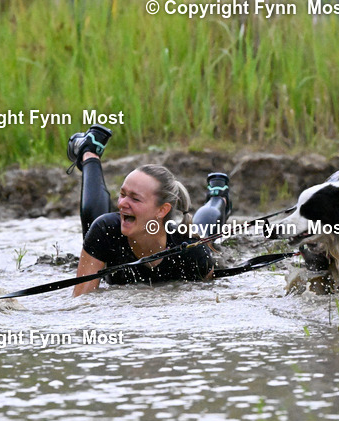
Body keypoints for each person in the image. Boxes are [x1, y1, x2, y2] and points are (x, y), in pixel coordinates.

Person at [67, 125, 232, 296]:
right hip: (106, 235)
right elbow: (82, 301)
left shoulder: (191, 252)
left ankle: (219, 196)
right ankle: (89, 151)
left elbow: (210, 296)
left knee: (203, 236)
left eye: (135, 198)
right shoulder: (105, 231)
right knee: (97, 222)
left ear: (162, 210)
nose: (122, 204)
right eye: (122, 194)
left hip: (189, 243)